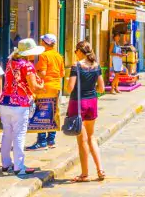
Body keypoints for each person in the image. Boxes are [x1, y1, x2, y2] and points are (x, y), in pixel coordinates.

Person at [0, 38, 45, 175]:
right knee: (19, 134)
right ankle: (19, 166)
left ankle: (6, 163)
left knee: (7, 134)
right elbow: (34, 87)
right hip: (20, 103)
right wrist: (41, 85)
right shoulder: (27, 65)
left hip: (5, 102)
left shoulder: (10, 62)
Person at [66, 41, 106, 182]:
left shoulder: (76, 66)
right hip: (92, 103)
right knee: (91, 137)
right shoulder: (96, 66)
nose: (75, 53)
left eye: (76, 50)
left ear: (80, 51)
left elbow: (69, 88)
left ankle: (84, 174)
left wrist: (67, 81)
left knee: (82, 141)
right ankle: (100, 170)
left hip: (78, 104)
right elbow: (101, 88)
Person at [26, 34, 65, 151]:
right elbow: (62, 73)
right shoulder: (58, 56)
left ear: (45, 43)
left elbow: (42, 73)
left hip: (45, 87)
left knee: (41, 112)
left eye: (42, 41)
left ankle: (41, 141)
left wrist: (34, 74)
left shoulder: (44, 56)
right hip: (56, 87)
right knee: (53, 112)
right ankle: (51, 140)